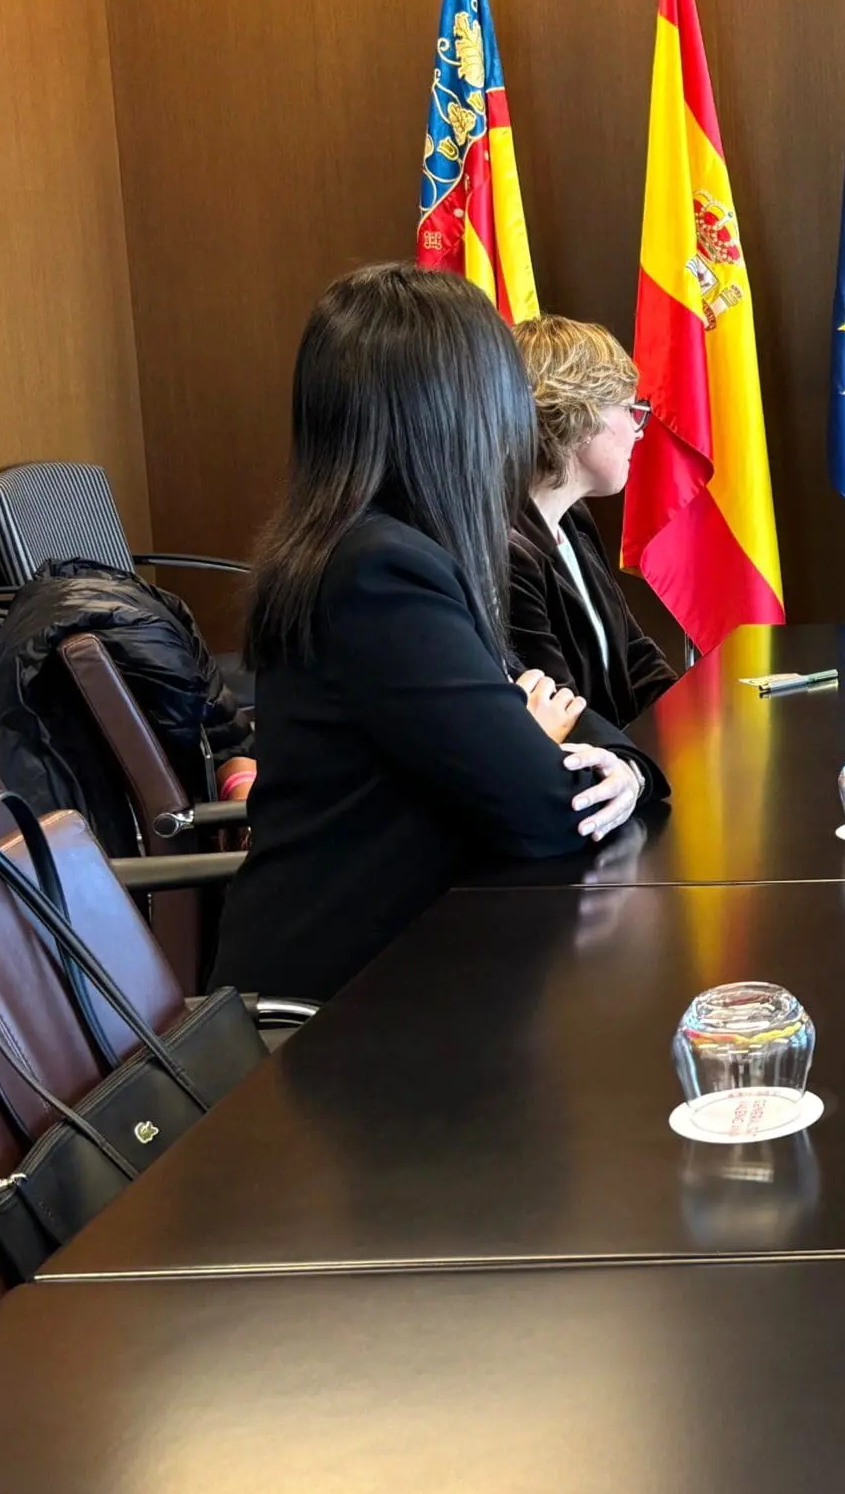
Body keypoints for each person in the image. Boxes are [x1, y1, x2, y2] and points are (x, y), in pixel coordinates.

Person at [209, 265, 666, 1002]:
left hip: (415, 966)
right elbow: (547, 807)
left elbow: (557, 707)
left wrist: (627, 767)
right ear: (456, 408)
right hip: (341, 1008)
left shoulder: (386, 548)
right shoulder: (381, 574)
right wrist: (554, 750)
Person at [507, 315, 678, 730]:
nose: (639, 430)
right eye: (630, 409)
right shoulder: (508, 555)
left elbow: (636, 659)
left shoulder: (573, 519)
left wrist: (700, 722)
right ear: (577, 417)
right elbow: (563, 718)